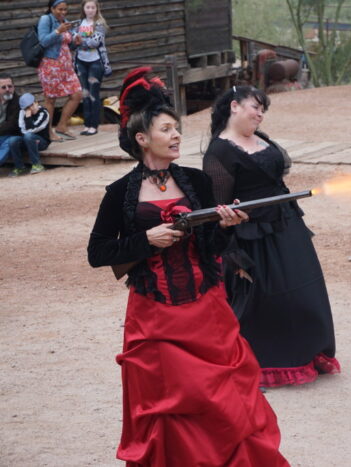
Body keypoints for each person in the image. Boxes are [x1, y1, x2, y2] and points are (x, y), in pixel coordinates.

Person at [87, 68, 289, 466]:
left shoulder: (197, 181)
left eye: (177, 128)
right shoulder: (119, 194)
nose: (177, 135)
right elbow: (98, 253)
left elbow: (213, 246)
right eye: (167, 129)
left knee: (227, 403)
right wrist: (146, 240)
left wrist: (225, 225)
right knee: (166, 406)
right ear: (142, 138)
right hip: (154, 319)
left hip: (207, 311)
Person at [203, 86, 340, 388]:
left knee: (303, 287)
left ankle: (306, 351)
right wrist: (232, 244)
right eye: (256, 107)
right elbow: (218, 208)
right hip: (253, 236)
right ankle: (259, 364)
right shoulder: (219, 152)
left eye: (263, 109)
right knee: (264, 300)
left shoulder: (261, 139)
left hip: (287, 222)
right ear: (235, 106)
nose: (260, 114)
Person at [37, 0, 83, 141]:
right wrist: (58, 31)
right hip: (50, 66)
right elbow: (43, 41)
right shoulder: (46, 20)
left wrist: (76, 43)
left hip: (66, 67)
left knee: (77, 94)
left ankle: (62, 125)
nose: (63, 12)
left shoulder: (65, 21)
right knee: (51, 100)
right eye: (60, 9)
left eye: (65, 9)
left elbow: (67, 45)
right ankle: (48, 132)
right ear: (52, 8)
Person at [74, 0, 110, 136]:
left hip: (95, 62)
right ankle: (86, 124)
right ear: (83, 8)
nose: (90, 10)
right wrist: (76, 41)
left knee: (93, 93)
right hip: (81, 61)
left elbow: (95, 42)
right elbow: (72, 40)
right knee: (85, 93)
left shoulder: (99, 24)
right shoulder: (79, 23)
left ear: (96, 9)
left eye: (93, 7)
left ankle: (94, 125)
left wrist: (79, 41)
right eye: (87, 7)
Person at [17, 93, 49, 174]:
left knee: (29, 136)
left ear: (36, 102)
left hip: (42, 142)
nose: (30, 109)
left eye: (31, 105)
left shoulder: (44, 113)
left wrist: (28, 118)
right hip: (27, 138)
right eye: (27, 108)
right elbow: (21, 128)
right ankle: (19, 167)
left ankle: (37, 165)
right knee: (12, 140)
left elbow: (34, 129)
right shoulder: (22, 112)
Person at [0, 75, 22, 174]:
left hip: (13, 134)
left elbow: (13, 125)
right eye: (3, 87)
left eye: (10, 86)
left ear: (14, 87)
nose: (8, 90)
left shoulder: (19, 102)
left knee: (8, 142)